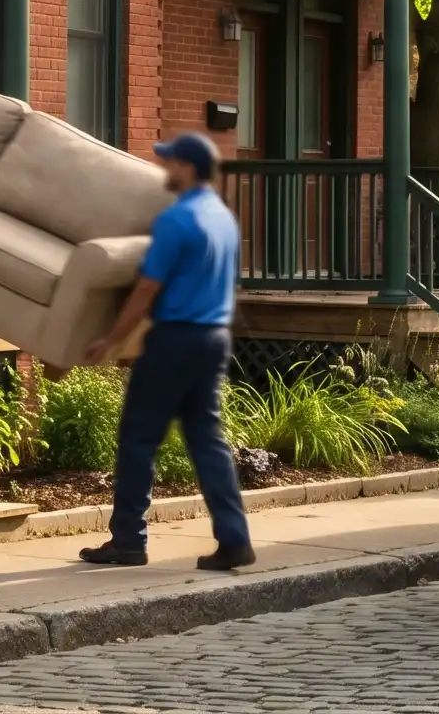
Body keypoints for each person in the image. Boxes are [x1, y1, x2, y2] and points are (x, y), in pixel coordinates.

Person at [78, 131, 254, 570]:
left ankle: (128, 542)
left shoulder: (177, 220)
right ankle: (234, 539)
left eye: (171, 163)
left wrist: (113, 339)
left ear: (189, 169)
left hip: (174, 339)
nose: (165, 170)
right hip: (213, 337)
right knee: (208, 441)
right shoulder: (224, 219)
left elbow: (146, 289)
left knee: (138, 438)